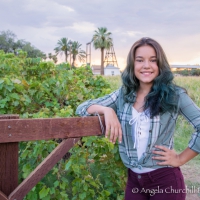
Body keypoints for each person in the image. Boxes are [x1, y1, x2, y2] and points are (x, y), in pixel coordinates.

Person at [76, 37, 200, 200]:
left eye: (153, 60)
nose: (146, 66)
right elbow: (82, 109)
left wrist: (180, 158)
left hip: (165, 181)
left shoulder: (174, 95)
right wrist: (106, 110)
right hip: (135, 181)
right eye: (140, 60)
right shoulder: (123, 94)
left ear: (160, 65)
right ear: (132, 65)